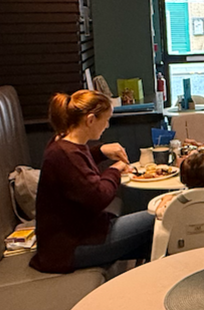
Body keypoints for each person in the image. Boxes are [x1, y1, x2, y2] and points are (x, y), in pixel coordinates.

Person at [32, 90, 153, 274]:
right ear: (90, 120)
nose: (106, 126)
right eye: (106, 120)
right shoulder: (65, 154)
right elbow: (99, 196)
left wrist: (101, 151)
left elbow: (77, 171)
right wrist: (115, 170)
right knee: (161, 216)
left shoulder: (61, 142)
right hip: (71, 248)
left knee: (156, 238)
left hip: (74, 239)